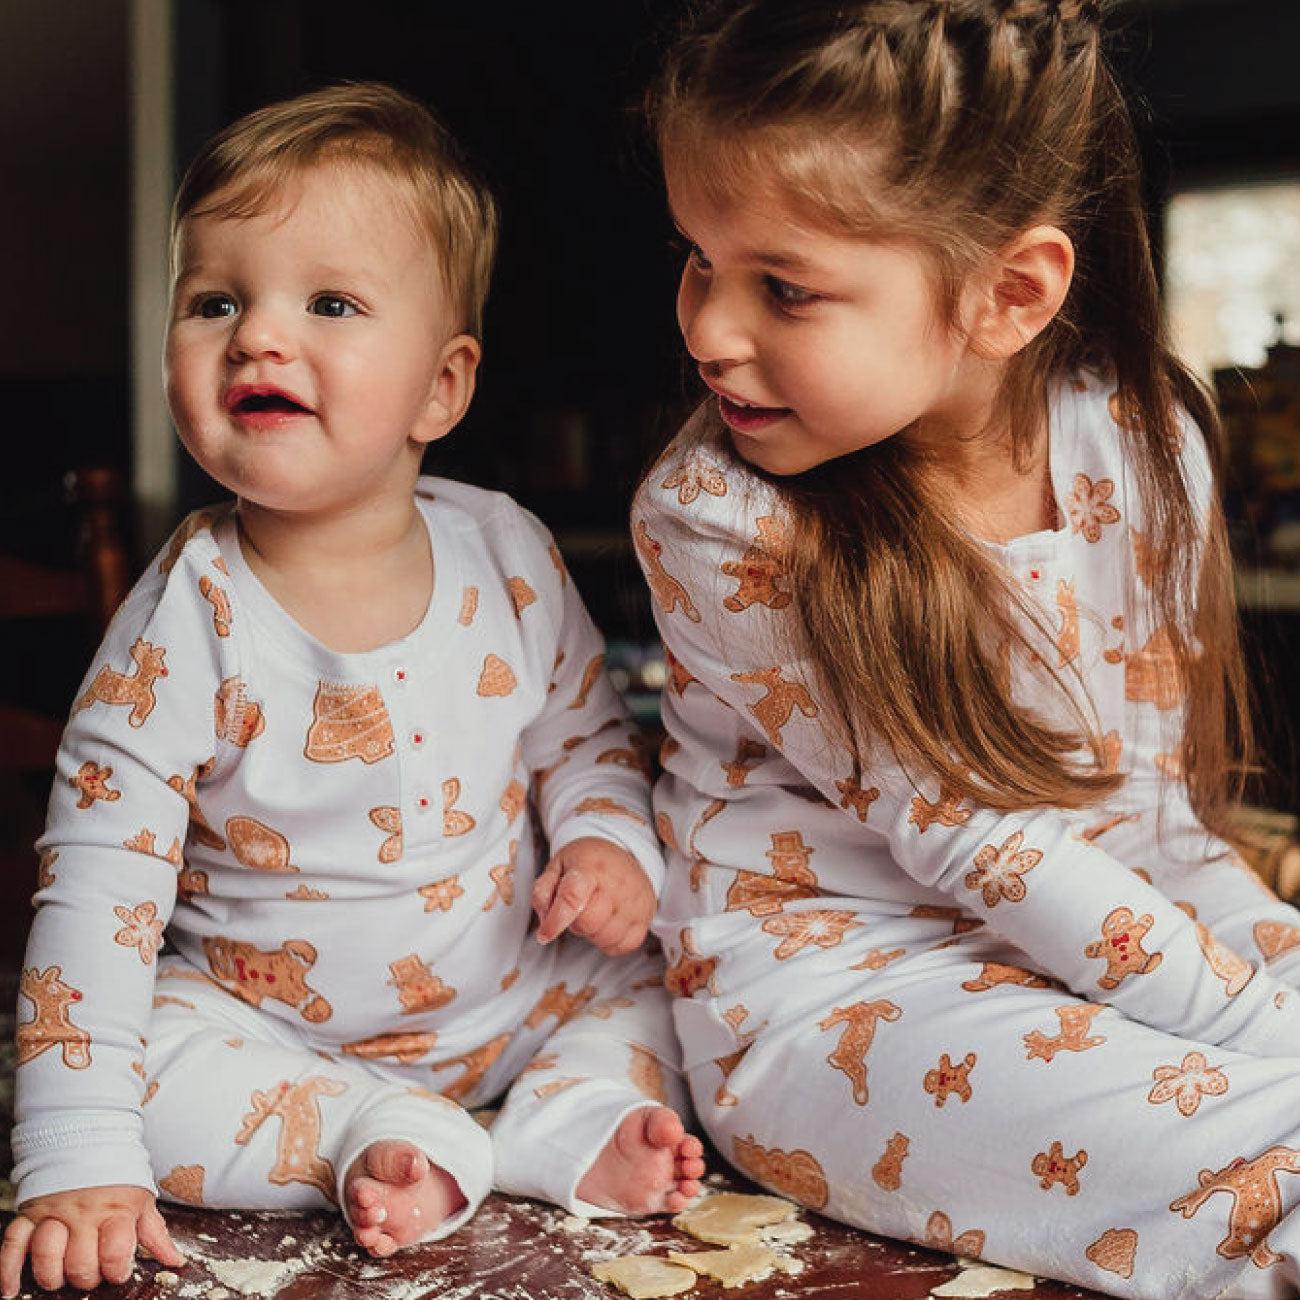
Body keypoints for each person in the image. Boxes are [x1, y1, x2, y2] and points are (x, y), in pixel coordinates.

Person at [630, 2, 1300, 1297]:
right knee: (1272, 1150)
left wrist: (1264, 975)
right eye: (698, 258)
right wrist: (1265, 1032)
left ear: (1007, 293)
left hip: (1109, 935)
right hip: (842, 1010)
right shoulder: (721, 518)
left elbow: (1148, 819)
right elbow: (974, 840)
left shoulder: (1146, 441)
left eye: (782, 286)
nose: (708, 327)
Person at [1, 81, 704, 1299]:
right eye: (216, 300)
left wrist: (604, 844)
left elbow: (589, 737)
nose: (259, 336)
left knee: (684, 984)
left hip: (519, 993)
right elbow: (99, 884)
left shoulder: (509, 550)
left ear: (442, 386)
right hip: (270, 1036)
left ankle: (561, 1115)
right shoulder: (184, 620)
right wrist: (73, 1152)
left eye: (328, 303)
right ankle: (365, 1136)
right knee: (135, 1086)